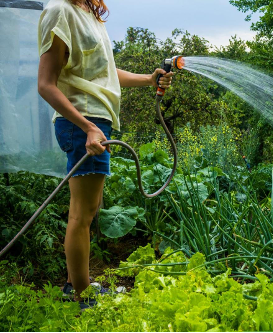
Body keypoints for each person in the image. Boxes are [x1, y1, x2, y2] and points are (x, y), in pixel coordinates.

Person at [37, 0, 173, 307]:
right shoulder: (60, 10)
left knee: (88, 208)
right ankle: (83, 295)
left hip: (96, 120)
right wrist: (87, 127)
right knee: (82, 213)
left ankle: (76, 284)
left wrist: (148, 79)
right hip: (83, 120)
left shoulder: (89, 15)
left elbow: (105, 75)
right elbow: (46, 84)